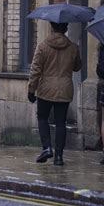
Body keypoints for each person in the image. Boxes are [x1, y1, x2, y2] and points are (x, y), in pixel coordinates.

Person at [27, 22, 82, 166]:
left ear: (52, 28)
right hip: (64, 89)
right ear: (65, 29)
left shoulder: (43, 46)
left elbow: (35, 70)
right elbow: (77, 67)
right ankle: (59, 156)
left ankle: (46, 147)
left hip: (46, 89)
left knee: (43, 118)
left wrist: (31, 89)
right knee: (60, 122)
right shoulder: (73, 48)